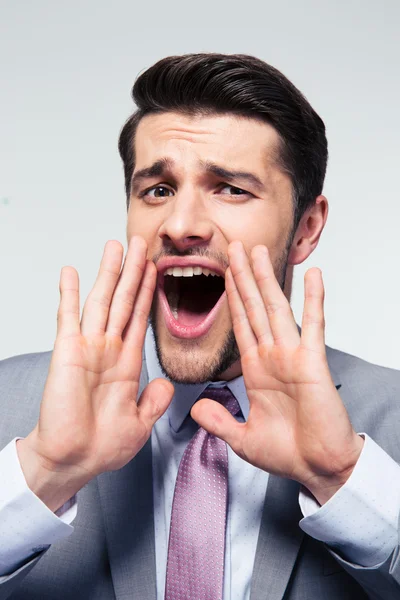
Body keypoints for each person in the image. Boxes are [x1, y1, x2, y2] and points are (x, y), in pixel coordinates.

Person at [1, 53, 400, 600]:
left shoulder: (392, 418)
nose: (180, 225)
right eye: (157, 190)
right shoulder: (11, 405)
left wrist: (342, 478)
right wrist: (45, 472)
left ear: (306, 228)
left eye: (231, 188)